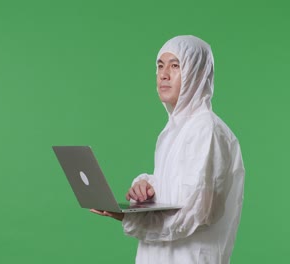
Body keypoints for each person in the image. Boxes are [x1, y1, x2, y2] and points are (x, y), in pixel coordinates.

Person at [91, 35, 245, 264]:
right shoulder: (174, 129)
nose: (164, 75)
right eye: (160, 66)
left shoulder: (206, 129)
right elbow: (179, 188)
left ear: (197, 72)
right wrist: (146, 189)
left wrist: (128, 217)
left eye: (175, 66)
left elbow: (194, 214)